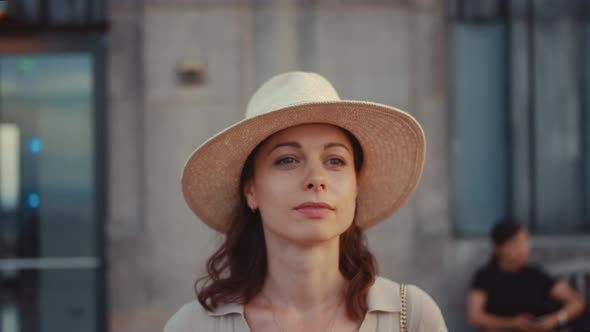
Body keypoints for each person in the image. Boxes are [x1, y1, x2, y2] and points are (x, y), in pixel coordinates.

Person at [163, 71, 448, 332]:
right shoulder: (192, 326)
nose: (316, 179)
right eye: (287, 159)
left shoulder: (411, 317)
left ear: (356, 186)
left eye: (335, 160)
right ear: (251, 190)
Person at [467, 219, 588, 332]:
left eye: (525, 241)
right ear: (498, 247)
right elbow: (475, 317)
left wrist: (555, 319)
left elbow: (576, 302)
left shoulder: (535, 275)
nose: (523, 248)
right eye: (515, 243)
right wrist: (513, 323)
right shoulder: (485, 277)